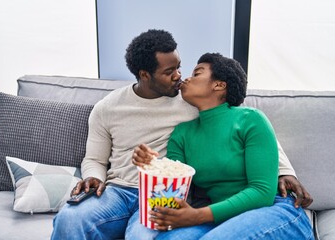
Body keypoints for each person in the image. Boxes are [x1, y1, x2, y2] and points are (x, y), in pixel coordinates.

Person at [51, 29, 312, 240]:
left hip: (164, 194)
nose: (179, 77)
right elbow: (96, 159)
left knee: (143, 236)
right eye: (169, 72)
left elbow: (247, 128)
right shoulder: (108, 108)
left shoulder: (195, 102)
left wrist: (284, 170)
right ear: (145, 75)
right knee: (69, 220)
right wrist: (97, 176)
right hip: (120, 191)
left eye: (182, 68)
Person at [133, 52, 314, 239]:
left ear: (219, 85)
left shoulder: (251, 119)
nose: (185, 77)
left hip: (273, 211)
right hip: (219, 219)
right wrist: (151, 165)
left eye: (197, 73)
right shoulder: (182, 133)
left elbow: (262, 192)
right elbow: (174, 187)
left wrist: (197, 216)